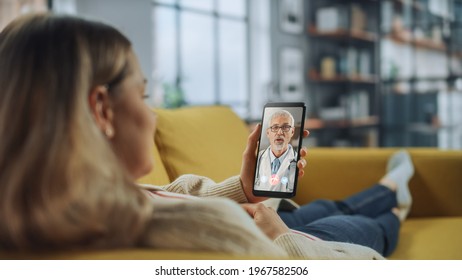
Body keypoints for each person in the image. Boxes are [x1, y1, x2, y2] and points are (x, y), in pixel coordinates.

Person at [0, 14, 412, 260]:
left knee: (323, 205)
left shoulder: (56, 204)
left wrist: (245, 189)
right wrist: (280, 237)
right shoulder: (204, 232)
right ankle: (396, 203)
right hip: (282, 241)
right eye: (143, 96)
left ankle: (390, 186)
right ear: (102, 110)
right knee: (361, 227)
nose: (152, 116)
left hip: (257, 221)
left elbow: (163, 195)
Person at [254, 110, 297, 192]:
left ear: (292, 131)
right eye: (275, 127)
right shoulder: (256, 158)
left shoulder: (297, 160)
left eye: (285, 127)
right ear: (267, 133)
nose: (280, 132)